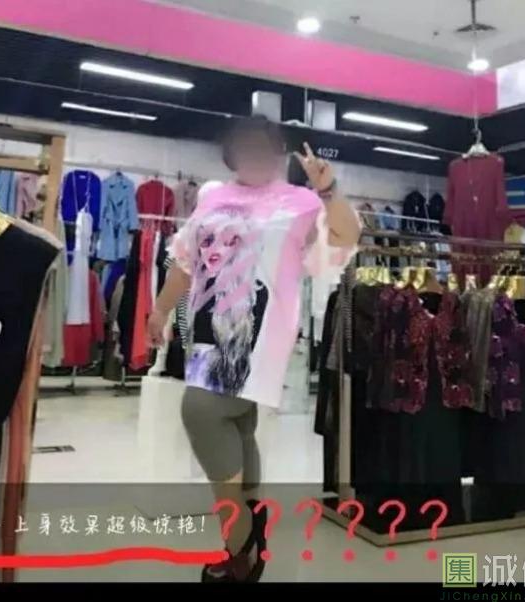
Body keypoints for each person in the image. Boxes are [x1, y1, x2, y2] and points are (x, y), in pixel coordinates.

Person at [147, 116, 361, 582]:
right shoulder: (212, 196)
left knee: (201, 412)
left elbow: (347, 237)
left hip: (258, 333)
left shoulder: (301, 202)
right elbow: (185, 260)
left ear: (278, 151)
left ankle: (239, 546)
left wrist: (328, 190)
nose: (254, 157)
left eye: (263, 148)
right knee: (239, 423)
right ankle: (253, 524)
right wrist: (160, 310)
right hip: (207, 328)